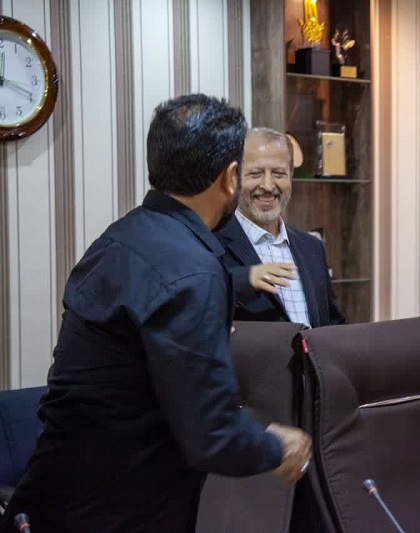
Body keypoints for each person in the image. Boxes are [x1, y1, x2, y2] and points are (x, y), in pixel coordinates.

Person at [0, 94, 312, 533]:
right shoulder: (192, 271)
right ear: (230, 178)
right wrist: (278, 447)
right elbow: (211, 437)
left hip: (51, 496)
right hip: (116, 511)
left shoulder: (120, 236)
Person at [215, 127, 345, 328]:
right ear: (234, 177)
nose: (268, 186)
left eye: (278, 173)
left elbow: (332, 326)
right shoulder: (212, 244)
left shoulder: (312, 248)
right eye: (255, 174)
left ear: (291, 176)